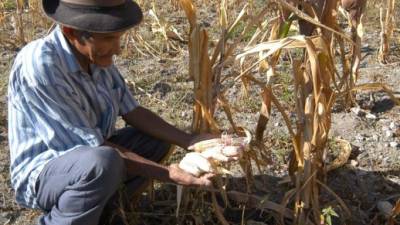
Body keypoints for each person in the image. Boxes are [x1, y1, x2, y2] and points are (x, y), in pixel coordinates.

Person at [8, 0, 216, 224]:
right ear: (71, 32)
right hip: (44, 171)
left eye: (118, 36)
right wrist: (168, 173)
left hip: (92, 157)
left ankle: (104, 209)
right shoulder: (40, 64)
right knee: (103, 163)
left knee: (155, 140)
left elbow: (132, 111)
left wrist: (191, 140)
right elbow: (90, 145)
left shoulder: (94, 56)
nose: (118, 48)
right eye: (109, 38)